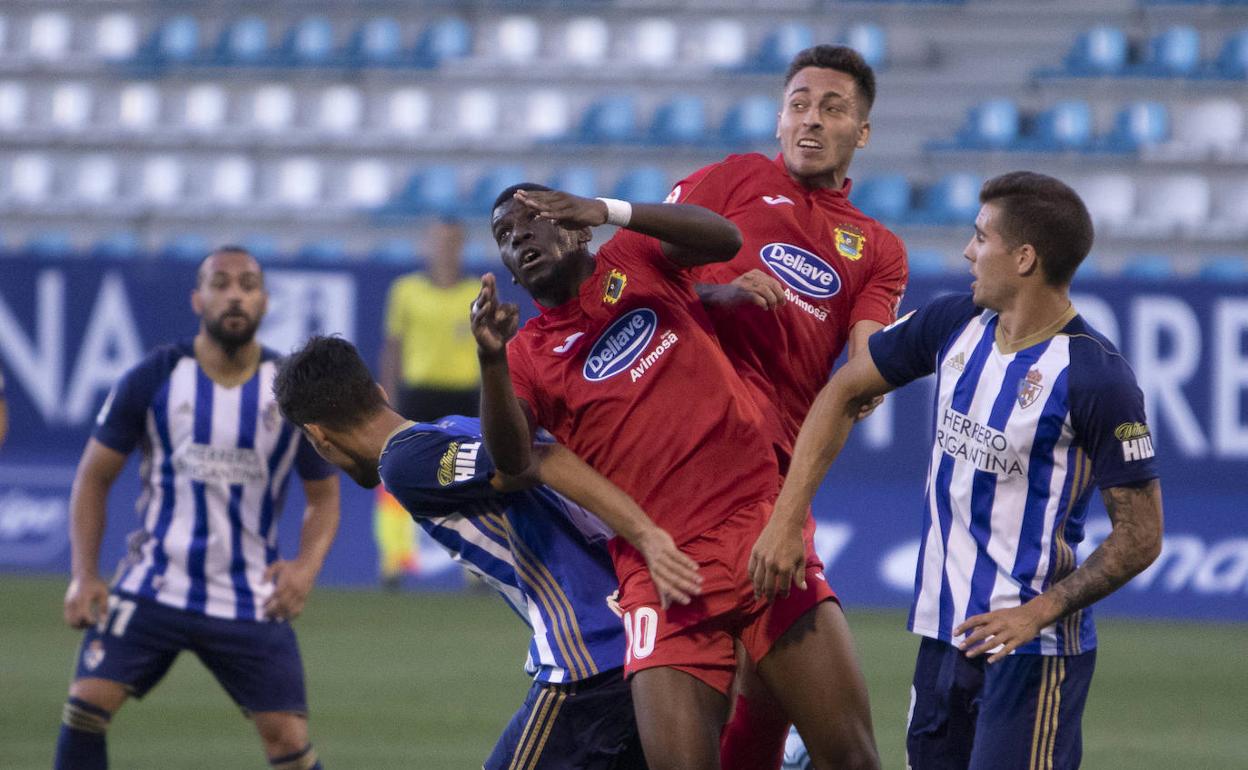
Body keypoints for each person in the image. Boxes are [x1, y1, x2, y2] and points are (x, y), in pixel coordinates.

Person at [758, 172, 1164, 769]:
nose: (968, 252)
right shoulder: (953, 324)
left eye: (981, 238)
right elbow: (843, 391)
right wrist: (786, 520)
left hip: (1032, 654)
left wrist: (1036, 613)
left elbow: (1142, 534)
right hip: (942, 636)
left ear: (1024, 258)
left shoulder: (1096, 377)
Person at [472, 184, 880, 770]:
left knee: (853, 761)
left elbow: (726, 237)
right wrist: (489, 360)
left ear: (578, 227)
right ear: (508, 271)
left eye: (533, 221)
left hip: (759, 536)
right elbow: (511, 460)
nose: (519, 238)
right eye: (506, 237)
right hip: (662, 577)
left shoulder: (635, 257)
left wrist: (610, 210)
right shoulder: (526, 356)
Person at [272, 334, 704, 769]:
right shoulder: (466, 426)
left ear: (318, 436)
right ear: (380, 394)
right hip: (640, 637)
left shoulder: (402, 463)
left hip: (588, 656)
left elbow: (541, 459)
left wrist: (648, 536)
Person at [668, 45, 909, 769]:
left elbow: (868, 356)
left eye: (832, 108)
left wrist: (878, 376)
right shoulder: (731, 179)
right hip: (675, 463)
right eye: (799, 104)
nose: (810, 120)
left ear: (861, 132)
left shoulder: (875, 248)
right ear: (778, 118)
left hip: (774, 480)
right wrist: (719, 293)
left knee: (776, 696)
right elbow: (630, 283)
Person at [56, 247, 341, 770]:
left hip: (249, 594)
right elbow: (93, 478)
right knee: (85, 705)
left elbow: (324, 496)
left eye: (248, 284)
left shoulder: (292, 390)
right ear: (197, 298)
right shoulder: (154, 376)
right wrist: (84, 574)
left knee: (288, 743)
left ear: (264, 300)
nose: (235, 294)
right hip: (154, 583)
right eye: (221, 282)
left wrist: (305, 569)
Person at [377, 219, 482, 589]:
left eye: (452, 242)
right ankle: (394, 560)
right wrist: (387, 398)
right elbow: (393, 346)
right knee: (395, 473)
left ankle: (476, 566)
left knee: (470, 478)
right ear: (426, 245)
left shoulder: (475, 291)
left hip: (464, 395)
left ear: (462, 246)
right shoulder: (405, 291)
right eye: (438, 241)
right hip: (418, 394)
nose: (444, 248)